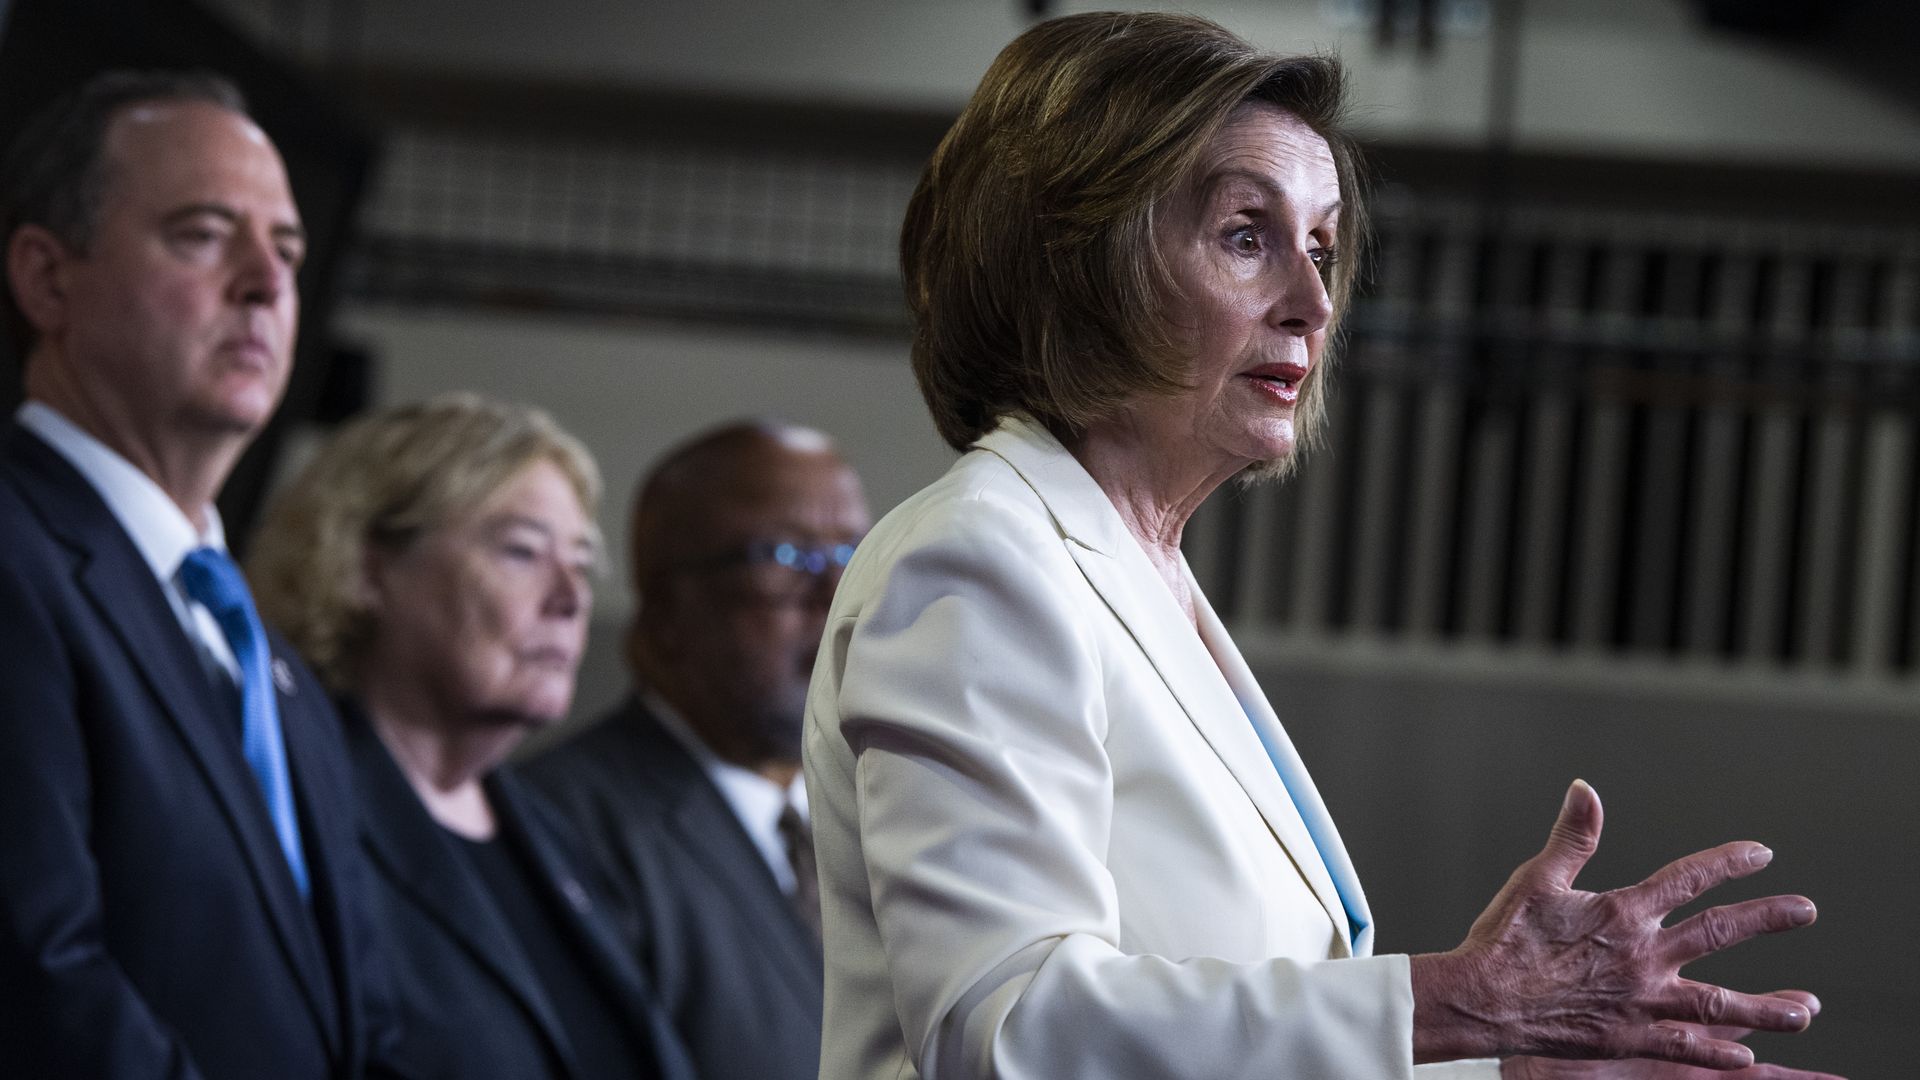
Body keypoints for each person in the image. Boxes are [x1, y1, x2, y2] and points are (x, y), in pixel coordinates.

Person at [802, 13, 1837, 1080]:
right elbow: (1011, 1032)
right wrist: (1460, 1005)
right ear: (1075, 263)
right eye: (1247, 235)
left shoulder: (1133, 576)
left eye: (1323, 247)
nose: (1312, 303)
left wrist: (1518, 1066)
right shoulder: (981, 556)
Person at [0, 70, 392, 1079]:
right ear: (47, 279)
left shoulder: (272, 663)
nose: (266, 282)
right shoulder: (16, 559)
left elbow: (354, 1015)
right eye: (204, 235)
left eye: (289, 251)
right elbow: (36, 983)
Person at [247, 394, 696, 1080]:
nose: (571, 599)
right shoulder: (289, 809)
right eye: (522, 551)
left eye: (581, 561)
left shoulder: (557, 839)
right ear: (366, 567)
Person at [526, 419, 870, 1080]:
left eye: (854, 554)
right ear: (666, 608)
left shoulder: (887, 819)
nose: (834, 596)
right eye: (783, 555)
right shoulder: (558, 825)